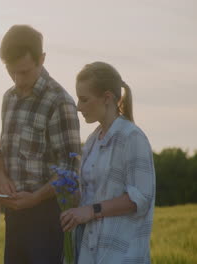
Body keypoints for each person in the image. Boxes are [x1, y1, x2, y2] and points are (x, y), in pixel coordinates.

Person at [0, 25, 81, 264]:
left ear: (42, 59)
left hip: (46, 217)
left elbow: (70, 169)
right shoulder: (8, 98)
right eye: (12, 72)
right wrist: (0, 174)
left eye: (24, 72)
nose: (18, 80)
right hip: (13, 216)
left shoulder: (60, 102)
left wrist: (34, 198)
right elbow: (3, 150)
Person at [60, 61, 156, 263]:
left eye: (84, 99)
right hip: (90, 253)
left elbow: (141, 198)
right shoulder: (93, 140)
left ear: (107, 98)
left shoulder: (132, 137)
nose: (78, 107)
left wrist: (90, 211)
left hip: (122, 255)